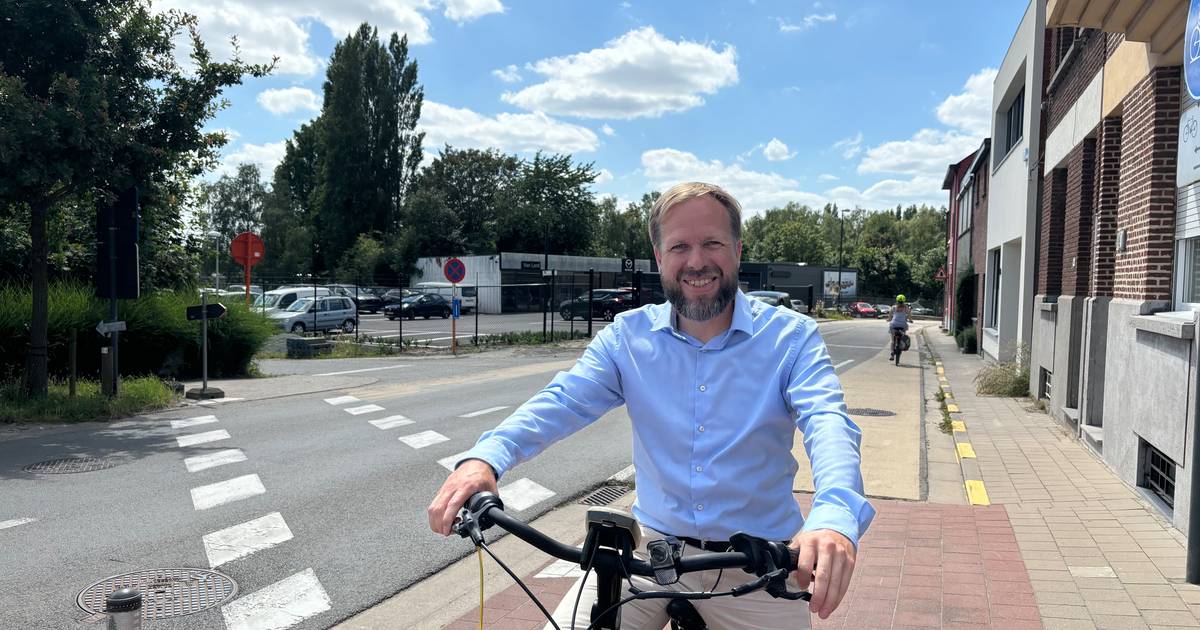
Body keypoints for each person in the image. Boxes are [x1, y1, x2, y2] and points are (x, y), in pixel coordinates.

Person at [428, 182, 875, 629]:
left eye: (712, 243)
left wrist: (834, 518)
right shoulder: (627, 337)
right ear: (660, 258)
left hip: (759, 560)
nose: (696, 261)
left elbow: (829, 422)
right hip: (651, 553)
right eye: (680, 246)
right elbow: (562, 400)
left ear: (738, 250)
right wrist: (487, 457)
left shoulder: (791, 338)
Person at [889, 294, 911, 361]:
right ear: (904, 301)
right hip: (902, 325)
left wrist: (889, 319)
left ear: (897, 300)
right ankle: (901, 344)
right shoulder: (906, 307)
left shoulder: (893, 307)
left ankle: (892, 353)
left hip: (894, 324)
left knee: (893, 340)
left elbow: (890, 315)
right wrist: (910, 320)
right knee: (902, 336)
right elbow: (909, 315)